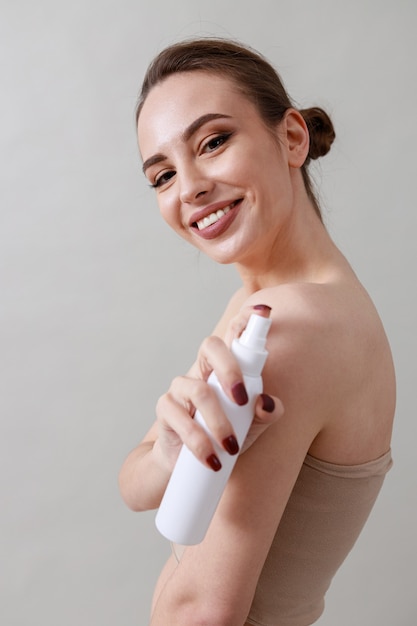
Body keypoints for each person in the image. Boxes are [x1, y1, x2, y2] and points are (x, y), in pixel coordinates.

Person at [119, 38, 396, 626]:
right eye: (162, 175)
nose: (189, 187)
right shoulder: (267, 304)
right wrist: (170, 452)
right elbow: (135, 484)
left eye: (213, 142)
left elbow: (204, 611)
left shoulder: (291, 328)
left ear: (292, 138)